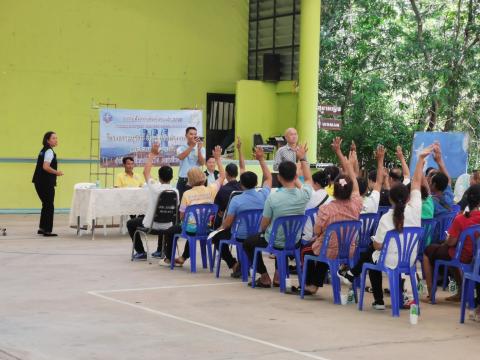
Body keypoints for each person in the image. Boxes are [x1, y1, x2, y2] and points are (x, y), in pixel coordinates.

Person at [337, 144, 430, 309]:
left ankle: (378, 299)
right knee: (373, 254)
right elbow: (416, 183)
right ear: (408, 197)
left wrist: (421, 159)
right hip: (409, 260)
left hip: (390, 261)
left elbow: (378, 245)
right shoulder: (416, 210)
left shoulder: (387, 217)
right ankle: (357, 278)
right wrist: (421, 160)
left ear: (391, 200)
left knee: (373, 254)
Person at [298, 137, 362, 296]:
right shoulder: (356, 204)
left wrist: (339, 152)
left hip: (329, 249)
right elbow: (353, 180)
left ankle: (308, 284)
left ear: (333, 190)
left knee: (306, 251)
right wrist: (343, 156)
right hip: (349, 250)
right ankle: (315, 284)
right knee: (324, 246)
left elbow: (318, 229)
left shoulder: (327, 209)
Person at [243, 144, 313, 288]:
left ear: (279, 178)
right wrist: (303, 159)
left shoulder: (273, 198)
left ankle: (264, 277)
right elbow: (308, 179)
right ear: (295, 176)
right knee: (285, 234)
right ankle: (278, 275)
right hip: (294, 241)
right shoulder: (304, 195)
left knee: (249, 242)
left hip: (275, 241)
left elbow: (264, 224)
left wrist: (262, 231)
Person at [210, 145, 272, 277]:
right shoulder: (264, 194)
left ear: (242, 184)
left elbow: (227, 223)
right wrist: (261, 160)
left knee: (216, 236)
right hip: (258, 233)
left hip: (240, 235)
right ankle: (241, 264)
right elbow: (269, 178)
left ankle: (233, 264)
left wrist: (218, 229)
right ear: (256, 183)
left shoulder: (237, 200)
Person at [423, 184, 480, 302]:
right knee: (450, 254)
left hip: (461, 255)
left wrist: (447, 240)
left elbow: (451, 242)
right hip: (475, 257)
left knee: (427, 252)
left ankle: (431, 294)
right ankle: (460, 291)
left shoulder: (461, 218)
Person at [174, 146, 225, 266]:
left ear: (189, 180)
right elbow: (222, 176)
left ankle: (168, 258)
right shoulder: (212, 189)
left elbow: (182, 216)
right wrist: (218, 159)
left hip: (191, 229)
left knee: (173, 231)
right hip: (208, 227)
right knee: (196, 226)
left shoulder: (187, 194)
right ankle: (183, 257)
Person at [128, 143, 179, 261]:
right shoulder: (176, 191)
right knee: (164, 217)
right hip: (169, 226)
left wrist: (152, 154)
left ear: (159, 177)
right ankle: (161, 251)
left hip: (152, 225)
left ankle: (140, 252)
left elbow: (146, 172)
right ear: (171, 177)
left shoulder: (155, 187)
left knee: (130, 223)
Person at [32, 131, 64, 237]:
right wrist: (57, 172)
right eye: (54, 138)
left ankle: (42, 228)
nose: (56, 140)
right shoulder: (49, 151)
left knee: (46, 204)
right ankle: (47, 230)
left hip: (39, 181)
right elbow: (45, 167)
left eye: (56, 138)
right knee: (49, 205)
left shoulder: (43, 150)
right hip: (45, 182)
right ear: (48, 140)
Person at [212, 138, 245, 227]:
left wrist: (217, 158)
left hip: (226, 223)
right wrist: (239, 150)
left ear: (226, 174)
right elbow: (242, 167)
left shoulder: (223, 190)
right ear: (237, 173)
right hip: (240, 221)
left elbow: (217, 210)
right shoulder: (243, 186)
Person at [176, 127, 206, 200]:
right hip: (183, 180)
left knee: (195, 203)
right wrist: (192, 146)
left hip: (197, 181)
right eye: (191, 134)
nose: (193, 136)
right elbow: (181, 157)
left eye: (195, 134)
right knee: (182, 204)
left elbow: (202, 163)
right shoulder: (181, 148)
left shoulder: (201, 148)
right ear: (186, 136)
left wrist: (198, 150)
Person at [302, 170, 333, 242]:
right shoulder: (331, 200)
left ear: (316, 183)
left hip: (308, 235)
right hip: (324, 236)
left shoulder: (309, 197)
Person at [430, 143, 454, 216]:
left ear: (433, 185)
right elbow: (448, 179)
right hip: (447, 227)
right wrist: (439, 161)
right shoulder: (448, 197)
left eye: (430, 181)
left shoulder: (430, 202)